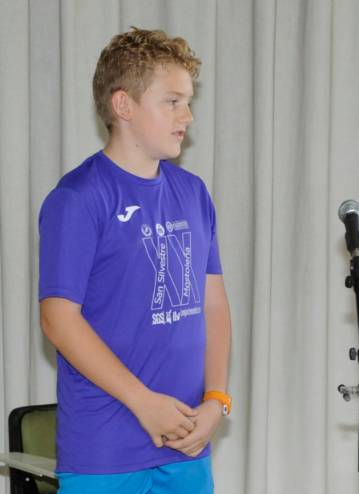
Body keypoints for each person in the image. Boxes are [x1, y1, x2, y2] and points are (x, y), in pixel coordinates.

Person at [38, 28, 232, 494]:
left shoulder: (193, 193)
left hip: (187, 444)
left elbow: (214, 305)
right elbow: (58, 319)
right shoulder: (78, 198)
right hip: (105, 452)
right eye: (172, 102)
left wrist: (216, 398)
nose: (187, 116)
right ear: (123, 105)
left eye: (188, 102)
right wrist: (144, 403)